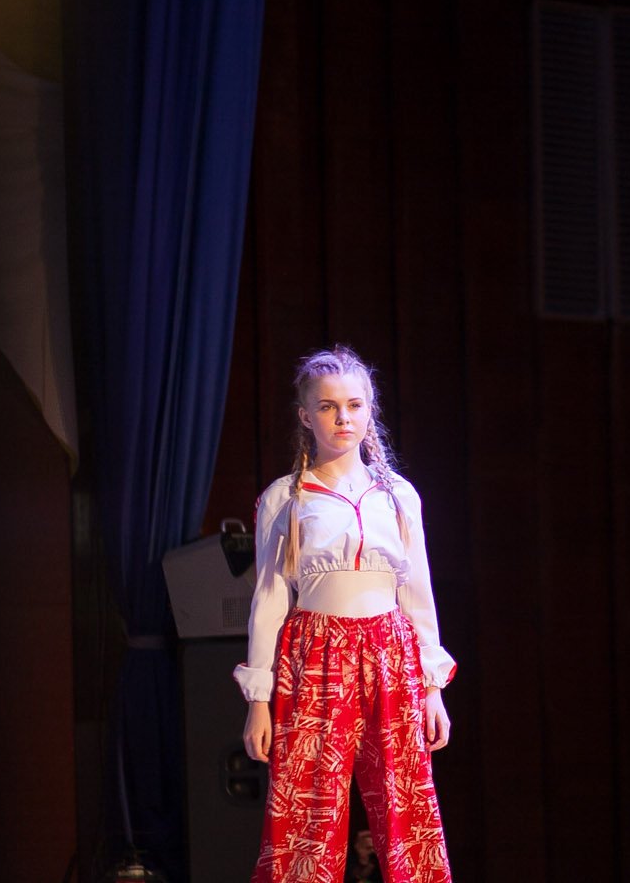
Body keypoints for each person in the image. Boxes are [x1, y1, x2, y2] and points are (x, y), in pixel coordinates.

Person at [235, 346, 456, 883]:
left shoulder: (398, 496)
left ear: (369, 410)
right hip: (315, 653)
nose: (343, 418)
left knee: (406, 805)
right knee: (307, 809)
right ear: (306, 415)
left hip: (390, 652)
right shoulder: (285, 498)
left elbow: (417, 593)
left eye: (354, 405)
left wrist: (432, 689)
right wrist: (259, 701)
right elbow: (269, 598)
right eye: (328, 406)